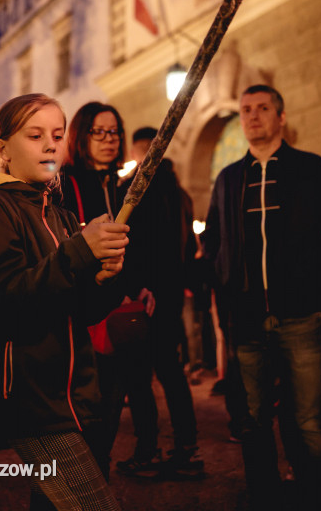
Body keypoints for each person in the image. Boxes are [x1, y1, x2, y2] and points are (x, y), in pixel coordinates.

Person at [0, 93, 129, 511]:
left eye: (57, 135)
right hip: (30, 397)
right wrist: (78, 254)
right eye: (35, 135)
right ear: (3, 148)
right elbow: (8, 298)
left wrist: (105, 277)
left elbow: (82, 309)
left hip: (71, 394)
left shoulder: (59, 212)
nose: (50, 145)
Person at [204, 85, 321, 511]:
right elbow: (214, 238)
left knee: (307, 420)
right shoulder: (230, 177)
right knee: (252, 421)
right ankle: (264, 496)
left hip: (303, 316)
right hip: (248, 319)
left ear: (281, 116)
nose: (252, 116)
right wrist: (224, 279)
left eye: (262, 109)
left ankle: (312, 497)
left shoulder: (311, 170)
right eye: (245, 110)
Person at [62, 102, 155, 477]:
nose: (108, 140)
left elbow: (142, 241)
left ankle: (99, 474)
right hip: (83, 314)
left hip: (124, 309)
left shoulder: (125, 184)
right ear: (81, 136)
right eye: (98, 132)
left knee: (118, 398)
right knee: (86, 410)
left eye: (114, 131)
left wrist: (144, 284)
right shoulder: (65, 184)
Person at [117, 127, 201, 477]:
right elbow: (187, 249)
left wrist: (138, 286)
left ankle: (149, 447)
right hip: (170, 293)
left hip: (144, 296)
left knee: (139, 377)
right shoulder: (181, 192)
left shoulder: (137, 191)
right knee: (170, 371)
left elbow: (135, 245)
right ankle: (186, 445)